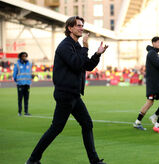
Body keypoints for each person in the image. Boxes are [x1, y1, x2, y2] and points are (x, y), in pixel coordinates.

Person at [26, 16, 108, 164]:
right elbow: (77, 64)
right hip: (65, 94)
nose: (81, 28)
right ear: (70, 28)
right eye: (78, 26)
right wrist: (86, 46)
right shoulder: (65, 46)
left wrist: (97, 54)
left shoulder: (76, 46)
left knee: (86, 124)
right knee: (56, 128)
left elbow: (87, 66)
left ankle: (94, 161)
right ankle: (32, 159)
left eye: (82, 25)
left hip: (74, 95)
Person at [133, 37, 159, 130]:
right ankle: (138, 122)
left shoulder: (154, 53)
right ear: (153, 43)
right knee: (150, 103)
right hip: (154, 83)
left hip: (157, 83)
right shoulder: (152, 54)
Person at [13, 52, 32, 116]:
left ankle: (26, 112)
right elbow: (14, 74)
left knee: (26, 99)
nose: (24, 57)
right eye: (23, 56)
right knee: (20, 99)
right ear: (20, 57)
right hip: (20, 84)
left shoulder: (29, 64)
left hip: (27, 84)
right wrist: (17, 81)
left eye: (25, 56)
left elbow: (30, 72)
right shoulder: (17, 64)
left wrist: (29, 81)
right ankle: (19, 112)